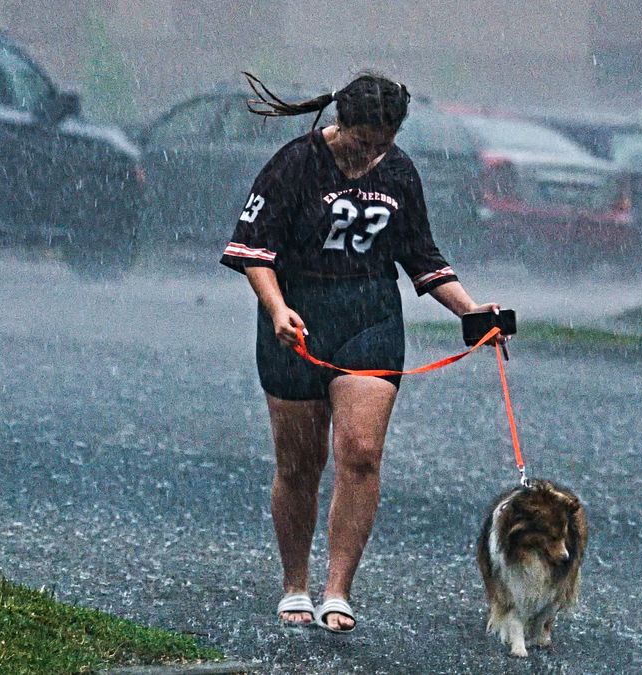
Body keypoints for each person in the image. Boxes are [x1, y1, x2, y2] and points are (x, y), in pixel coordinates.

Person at [220, 72, 501, 633]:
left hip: (370, 313)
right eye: (362, 141)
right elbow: (254, 250)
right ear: (339, 122)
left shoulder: (399, 171)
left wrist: (471, 311)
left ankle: (337, 590)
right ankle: (294, 583)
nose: (371, 154)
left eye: (384, 142)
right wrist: (277, 308)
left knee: (361, 452)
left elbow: (421, 256)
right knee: (300, 466)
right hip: (297, 316)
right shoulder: (294, 163)